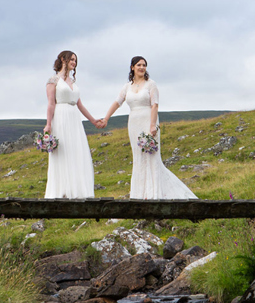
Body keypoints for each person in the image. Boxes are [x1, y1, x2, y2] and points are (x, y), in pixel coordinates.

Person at [101, 56, 198, 200]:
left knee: (151, 157)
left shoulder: (151, 84)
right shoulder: (127, 86)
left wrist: (152, 125)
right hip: (134, 123)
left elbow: (155, 105)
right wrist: (106, 118)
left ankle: (154, 193)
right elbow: (117, 102)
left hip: (148, 121)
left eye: (144, 65)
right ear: (132, 67)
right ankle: (140, 194)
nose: (142, 67)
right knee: (139, 157)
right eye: (139, 65)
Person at [43, 50, 103, 199]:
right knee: (63, 152)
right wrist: (48, 124)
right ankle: (62, 190)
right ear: (63, 59)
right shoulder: (53, 80)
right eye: (72, 59)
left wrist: (93, 120)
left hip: (74, 119)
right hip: (61, 117)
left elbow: (80, 104)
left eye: (75, 61)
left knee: (76, 151)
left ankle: (77, 190)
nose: (74, 63)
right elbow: (51, 104)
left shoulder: (73, 82)